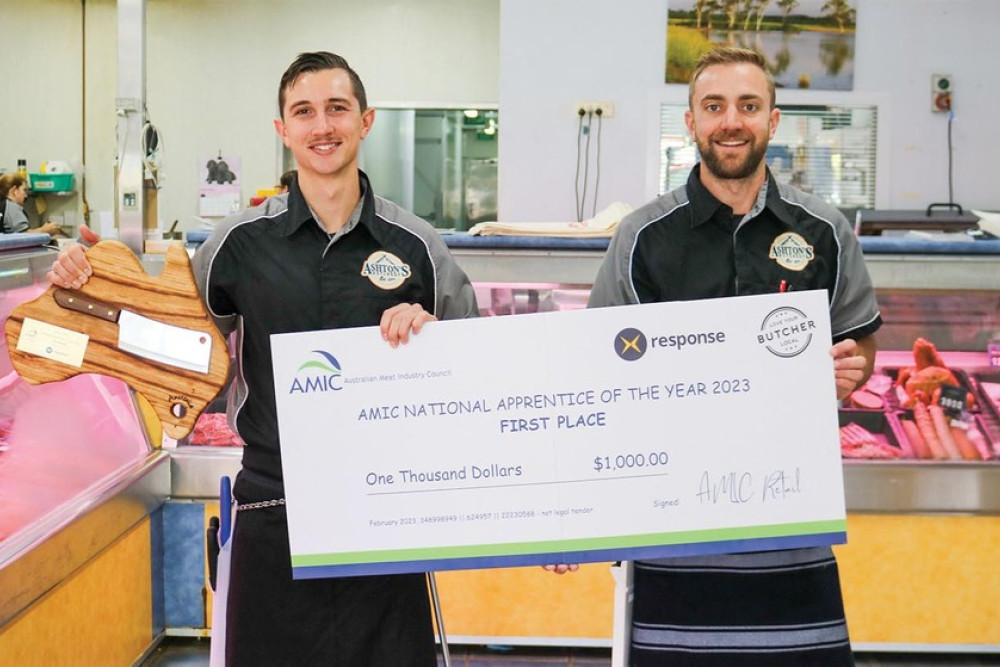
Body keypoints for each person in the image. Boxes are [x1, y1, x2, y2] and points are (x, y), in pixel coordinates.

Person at [48, 51, 478, 666]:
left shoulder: (416, 245)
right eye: (303, 112)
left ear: (366, 120)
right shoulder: (238, 243)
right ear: (282, 130)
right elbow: (171, 337)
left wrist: (432, 333)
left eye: (337, 108)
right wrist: (90, 284)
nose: (321, 125)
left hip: (383, 511)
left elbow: (475, 366)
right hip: (272, 506)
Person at [585, 47, 881, 666]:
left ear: (773, 120)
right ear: (689, 122)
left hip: (791, 519)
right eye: (713, 106)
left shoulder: (822, 230)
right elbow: (600, 370)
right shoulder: (641, 236)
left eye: (748, 105)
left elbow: (859, 343)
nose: (731, 121)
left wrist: (852, 371)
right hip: (675, 528)